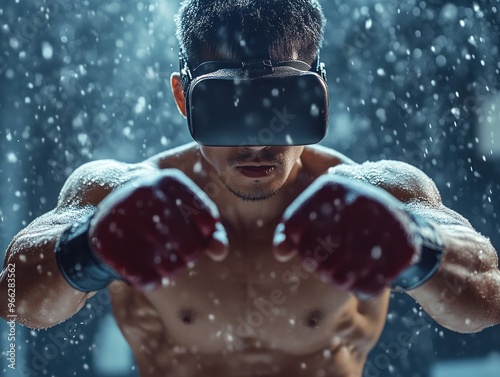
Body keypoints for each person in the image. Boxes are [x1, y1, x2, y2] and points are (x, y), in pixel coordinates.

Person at [1, 1, 500, 376]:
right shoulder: (122, 195)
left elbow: (488, 298)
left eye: (280, 100)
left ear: (319, 96)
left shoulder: (377, 192)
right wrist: (85, 248)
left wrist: (419, 248)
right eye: (226, 108)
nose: (255, 143)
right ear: (183, 99)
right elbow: (13, 295)